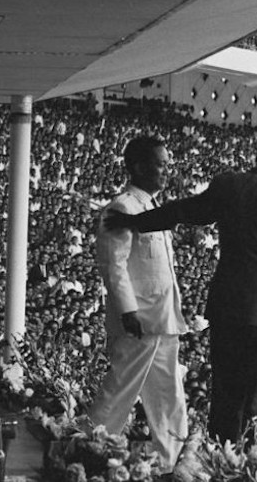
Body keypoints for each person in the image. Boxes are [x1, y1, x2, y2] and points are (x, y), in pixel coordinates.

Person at [106, 125, 257, 444]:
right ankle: (248, 471)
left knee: (225, 397)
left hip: (227, 310)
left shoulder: (228, 184)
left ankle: (220, 462)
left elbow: (183, 211)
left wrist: (135, 222)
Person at [88, 136, 188, 477]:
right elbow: (113, 264)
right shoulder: (123, 207)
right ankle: (89, 451)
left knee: (169, 396)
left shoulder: (153, 208)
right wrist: (127, 311)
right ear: (139, 167)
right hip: (139, 320)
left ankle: (169, 463)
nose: (166, 171)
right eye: (160, 164)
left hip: (163, 318)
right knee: (119, 390)